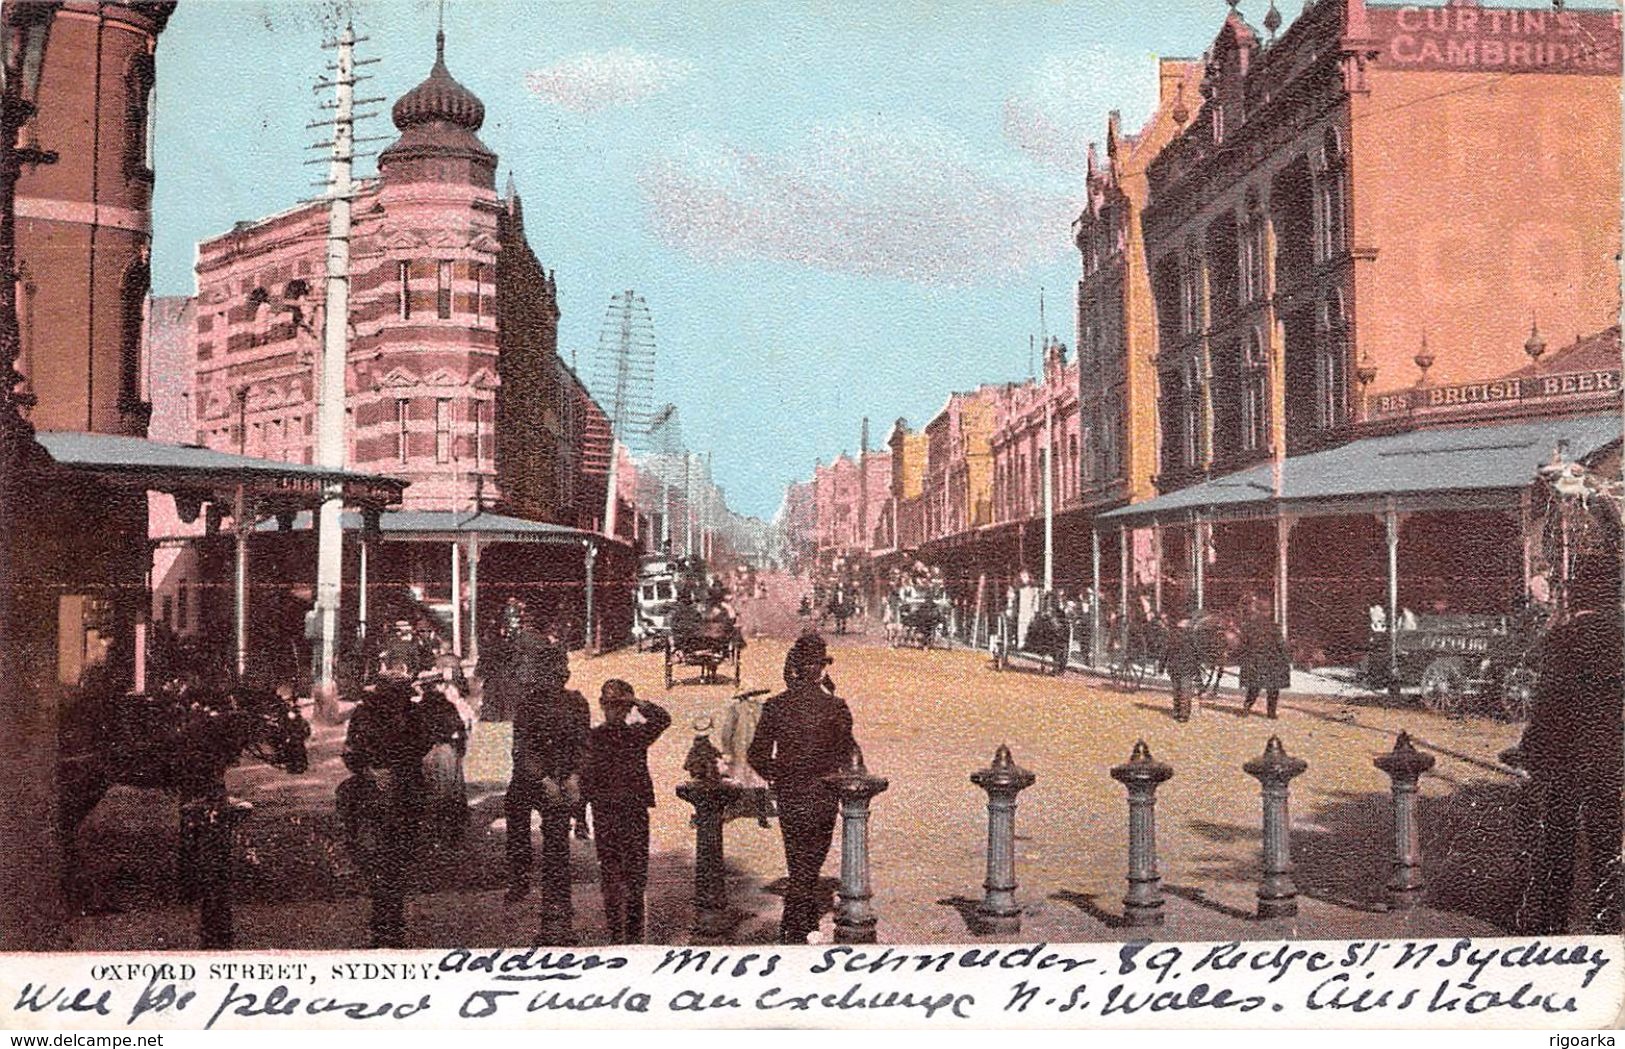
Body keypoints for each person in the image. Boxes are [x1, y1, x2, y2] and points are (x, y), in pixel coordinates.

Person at [1516, 549, 1622, 934]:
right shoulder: (1621, 637)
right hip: (1608, 755)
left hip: (1565, 757)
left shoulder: (1563, 638)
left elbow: (1548, 704)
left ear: (1583, 592)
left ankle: (1553, 924)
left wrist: (1530, 750)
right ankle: (1610, 922)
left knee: (1558, 841)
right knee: (1607, 839)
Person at [748, 633, 856, 944]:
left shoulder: (775, 706)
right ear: (821, 669)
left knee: (797, 860)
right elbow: (848, 752)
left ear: (795, 667)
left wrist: (777, 775)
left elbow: (756, 755)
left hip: (791, 794)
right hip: (824, 794)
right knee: (811, 861)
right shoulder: (836, 707)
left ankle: (797, 925)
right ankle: (799, 925)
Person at [339, 661, 433, 947]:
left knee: (387, 858)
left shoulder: (396, 714)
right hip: (388, 790)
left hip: (393, 789)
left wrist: (377, 771)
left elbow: (351, 752)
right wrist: (375, 771)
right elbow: (352, 752)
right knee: (389, 858)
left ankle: (386, 922)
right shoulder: (383, 714)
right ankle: (389, 922)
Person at [504, 642, 590, 945]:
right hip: (532, 777)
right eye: (549, 674)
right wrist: (544, 780)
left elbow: (583, 744)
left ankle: (559, 915)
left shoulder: (577, 703)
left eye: (559, 673)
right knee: (515, 813)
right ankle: (520, 874)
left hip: (565, 777)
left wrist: (575, 777)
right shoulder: (528, 705)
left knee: (557, 845)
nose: (555, 679)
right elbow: (522, 748)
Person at [580, 680, 670, 944]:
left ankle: (630, 933)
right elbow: (585, 777)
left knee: (633, 875)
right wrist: (580, 817)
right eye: (611, 706)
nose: (615, 712)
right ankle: (619, 933)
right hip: (609, 811)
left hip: (630, 811)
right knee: (615, 873)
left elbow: (664, 719)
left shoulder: (634, 734)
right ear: (602, 707)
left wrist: (635, 701)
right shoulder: (599, 737)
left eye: (619, 707)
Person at [1238, 595, 1291, 719]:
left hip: (1255, 662)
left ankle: (1247, 708)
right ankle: (1271, 713)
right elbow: (1281, 646)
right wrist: (1287, 659)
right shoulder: (1274, 627)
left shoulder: (1248, 626)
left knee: (1253, 688)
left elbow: (1244, 646)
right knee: (1273, 690)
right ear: (1267, 612)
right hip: (1272, 662)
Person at [1164, 614, 1199, 723]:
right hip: (1186, 667)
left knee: (1177, 690)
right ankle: (1183, 714)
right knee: (1185, 691)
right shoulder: (1192, 637)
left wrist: (1162, 666)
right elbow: (1197, 654)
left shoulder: (1172, 636)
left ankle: (1178, 711)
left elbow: (1165, 653)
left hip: (1176, 666)